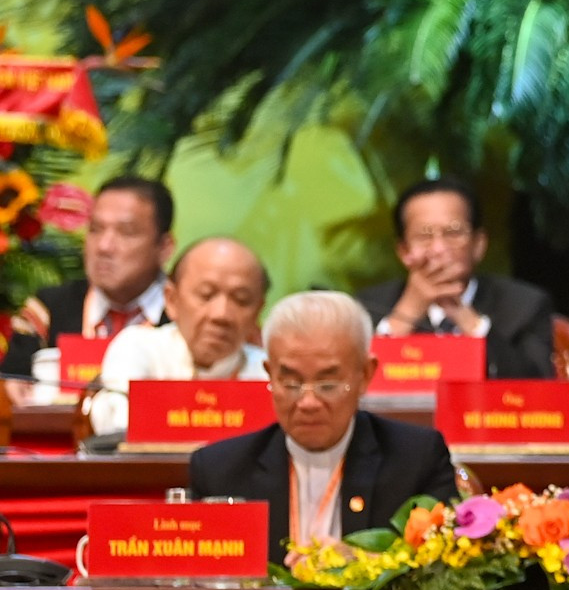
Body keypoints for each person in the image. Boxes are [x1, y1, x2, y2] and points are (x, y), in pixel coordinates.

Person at [189, 290, 459, 556]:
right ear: (270, 374)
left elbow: (442, 568)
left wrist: (363, 564)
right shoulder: (220, 470)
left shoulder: (416, 459)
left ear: (365, 375)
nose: (308, 402)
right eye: (291, 383)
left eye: (327, 385)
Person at [354, 178, 554, 378]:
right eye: (424, 236)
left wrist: (471, 323)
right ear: (404, 251)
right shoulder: (368, 307)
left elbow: (538, 387)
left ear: (478, 245)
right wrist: (408, 312)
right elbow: (354, 384)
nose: (439, 249)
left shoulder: (524, 305)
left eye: (453, 233)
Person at [2, 175, 175, 393]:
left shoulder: (187, 316)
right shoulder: (49, 310)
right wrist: (11, 391)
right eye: (95, 229)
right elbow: (11, 386)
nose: (104, 246)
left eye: (126, 232)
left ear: (164, 247)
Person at [89, 237, 271, 437]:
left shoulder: (268, 372)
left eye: (241, 300)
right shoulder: (138, 349)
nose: (221, 314)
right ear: (171, 299)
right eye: (206, 295)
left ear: (258, 311)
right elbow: (116, 424)